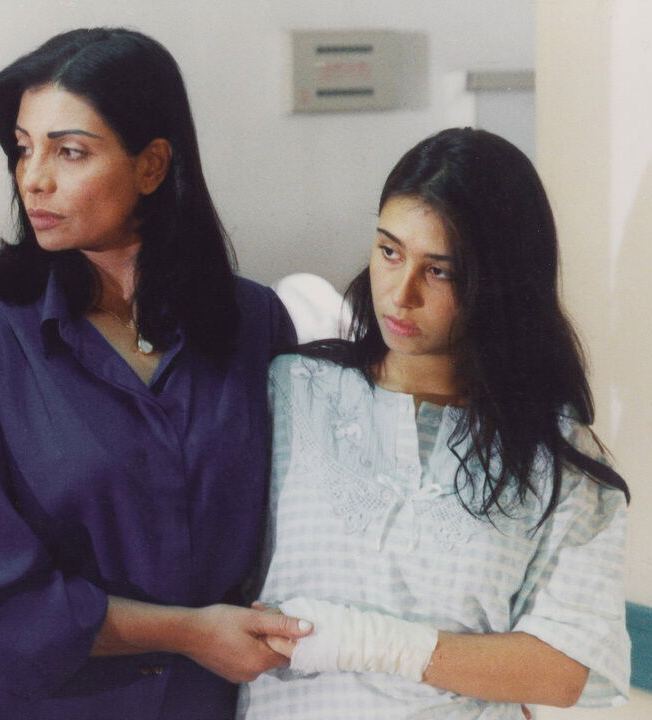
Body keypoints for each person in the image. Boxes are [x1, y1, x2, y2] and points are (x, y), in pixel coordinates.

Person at [0, 27, 306, 719]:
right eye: (24, 148)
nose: (34, 178)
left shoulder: (254, 324)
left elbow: (295, 535)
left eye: (69, 152)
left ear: (151, 166)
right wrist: (190, 631)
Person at [239, 128, 631, 719]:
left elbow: (564, 668)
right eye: (390, 251)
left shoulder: (557, 457)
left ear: (499, 283)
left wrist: (357, 639)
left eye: (440, 271)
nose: (400, 294)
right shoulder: (291, 391)